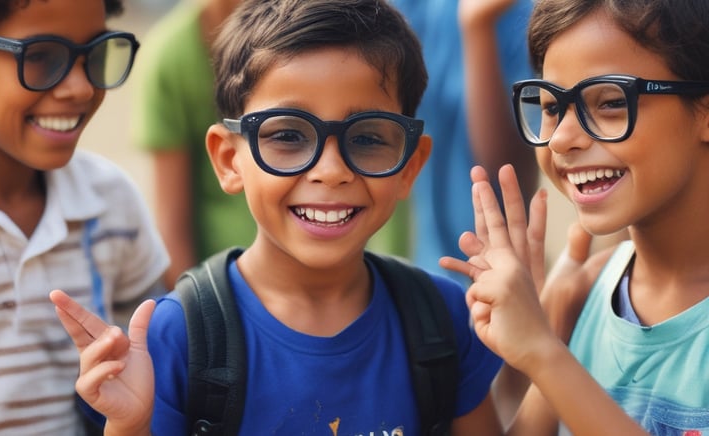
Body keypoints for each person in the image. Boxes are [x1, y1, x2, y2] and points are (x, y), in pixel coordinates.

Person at [50, 0, 508, 434]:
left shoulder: (441, 318)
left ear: (409, 165)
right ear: (229, 160)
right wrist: (129, 428)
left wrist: (550, 338)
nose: (331, 171)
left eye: (368, 138)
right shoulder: (177, 338)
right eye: (289, 135)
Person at [444, 0, 709, 433]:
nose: (562, 138)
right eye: (551, 108)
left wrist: (543, 353)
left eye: (608, 102)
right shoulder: (583, 296)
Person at [0, 0, 169, 434]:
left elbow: (154, 368)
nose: (81, 87)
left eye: (96, 53)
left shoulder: (111, 201)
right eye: (41, 56)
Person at [390, 0, 539, 279]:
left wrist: (478, 27)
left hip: (500, 275)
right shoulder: (418, 8)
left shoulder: (527, 15)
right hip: (429, 266)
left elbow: (509, 173)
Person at [130, 0, 250, 289]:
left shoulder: (317, 36)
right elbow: (172, 228)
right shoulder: (173, 54)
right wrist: (200, 311)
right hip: (223, 284)